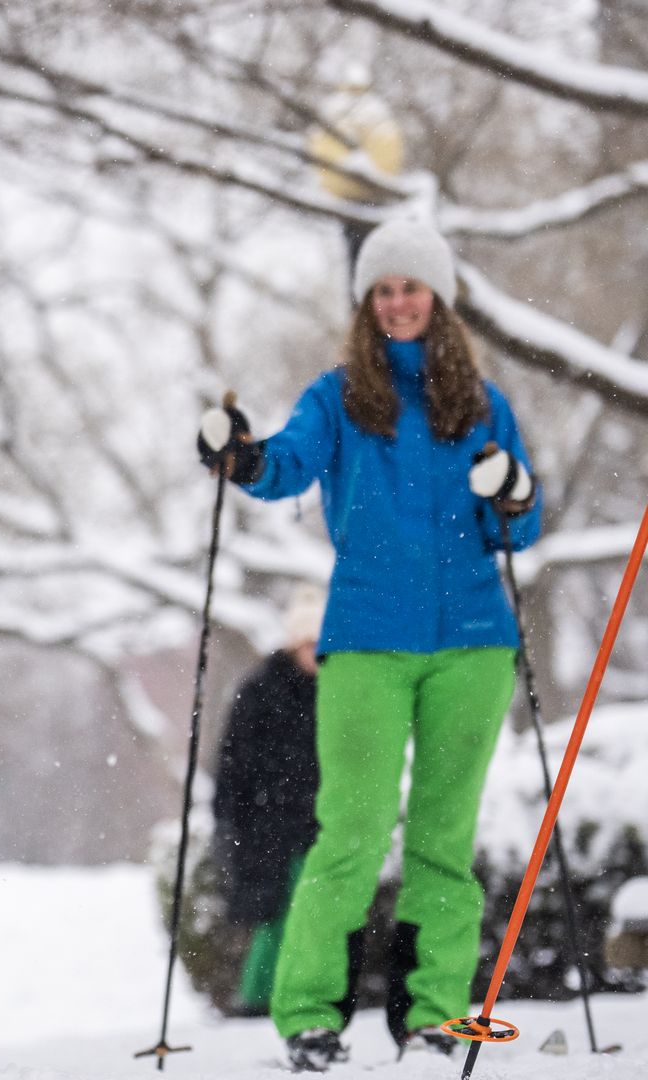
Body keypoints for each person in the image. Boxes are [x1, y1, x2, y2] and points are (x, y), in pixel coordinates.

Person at [196, 218, 541, 1072]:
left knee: (442, 839)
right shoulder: (340, 396)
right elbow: (284, 466)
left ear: (440, 299)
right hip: (366, 643)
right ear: (367, 302)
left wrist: (510, 491)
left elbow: (524, 527)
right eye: (383, 289)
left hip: (474, 642)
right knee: (349, 829)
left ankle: (434, 1014)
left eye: (411, 287)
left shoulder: (484, 405)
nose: (397, 302)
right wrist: (239, 456)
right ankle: (311, 1015)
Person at [211, 585, 326, 1017]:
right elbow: (234, 763)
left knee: (313, 912)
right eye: (309, 643)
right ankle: (261, 995)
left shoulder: (338, 690)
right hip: (269, 824)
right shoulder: (261, 690)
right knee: (279, 915)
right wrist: (232, 820)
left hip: (316, 822)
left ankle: (295, 992)